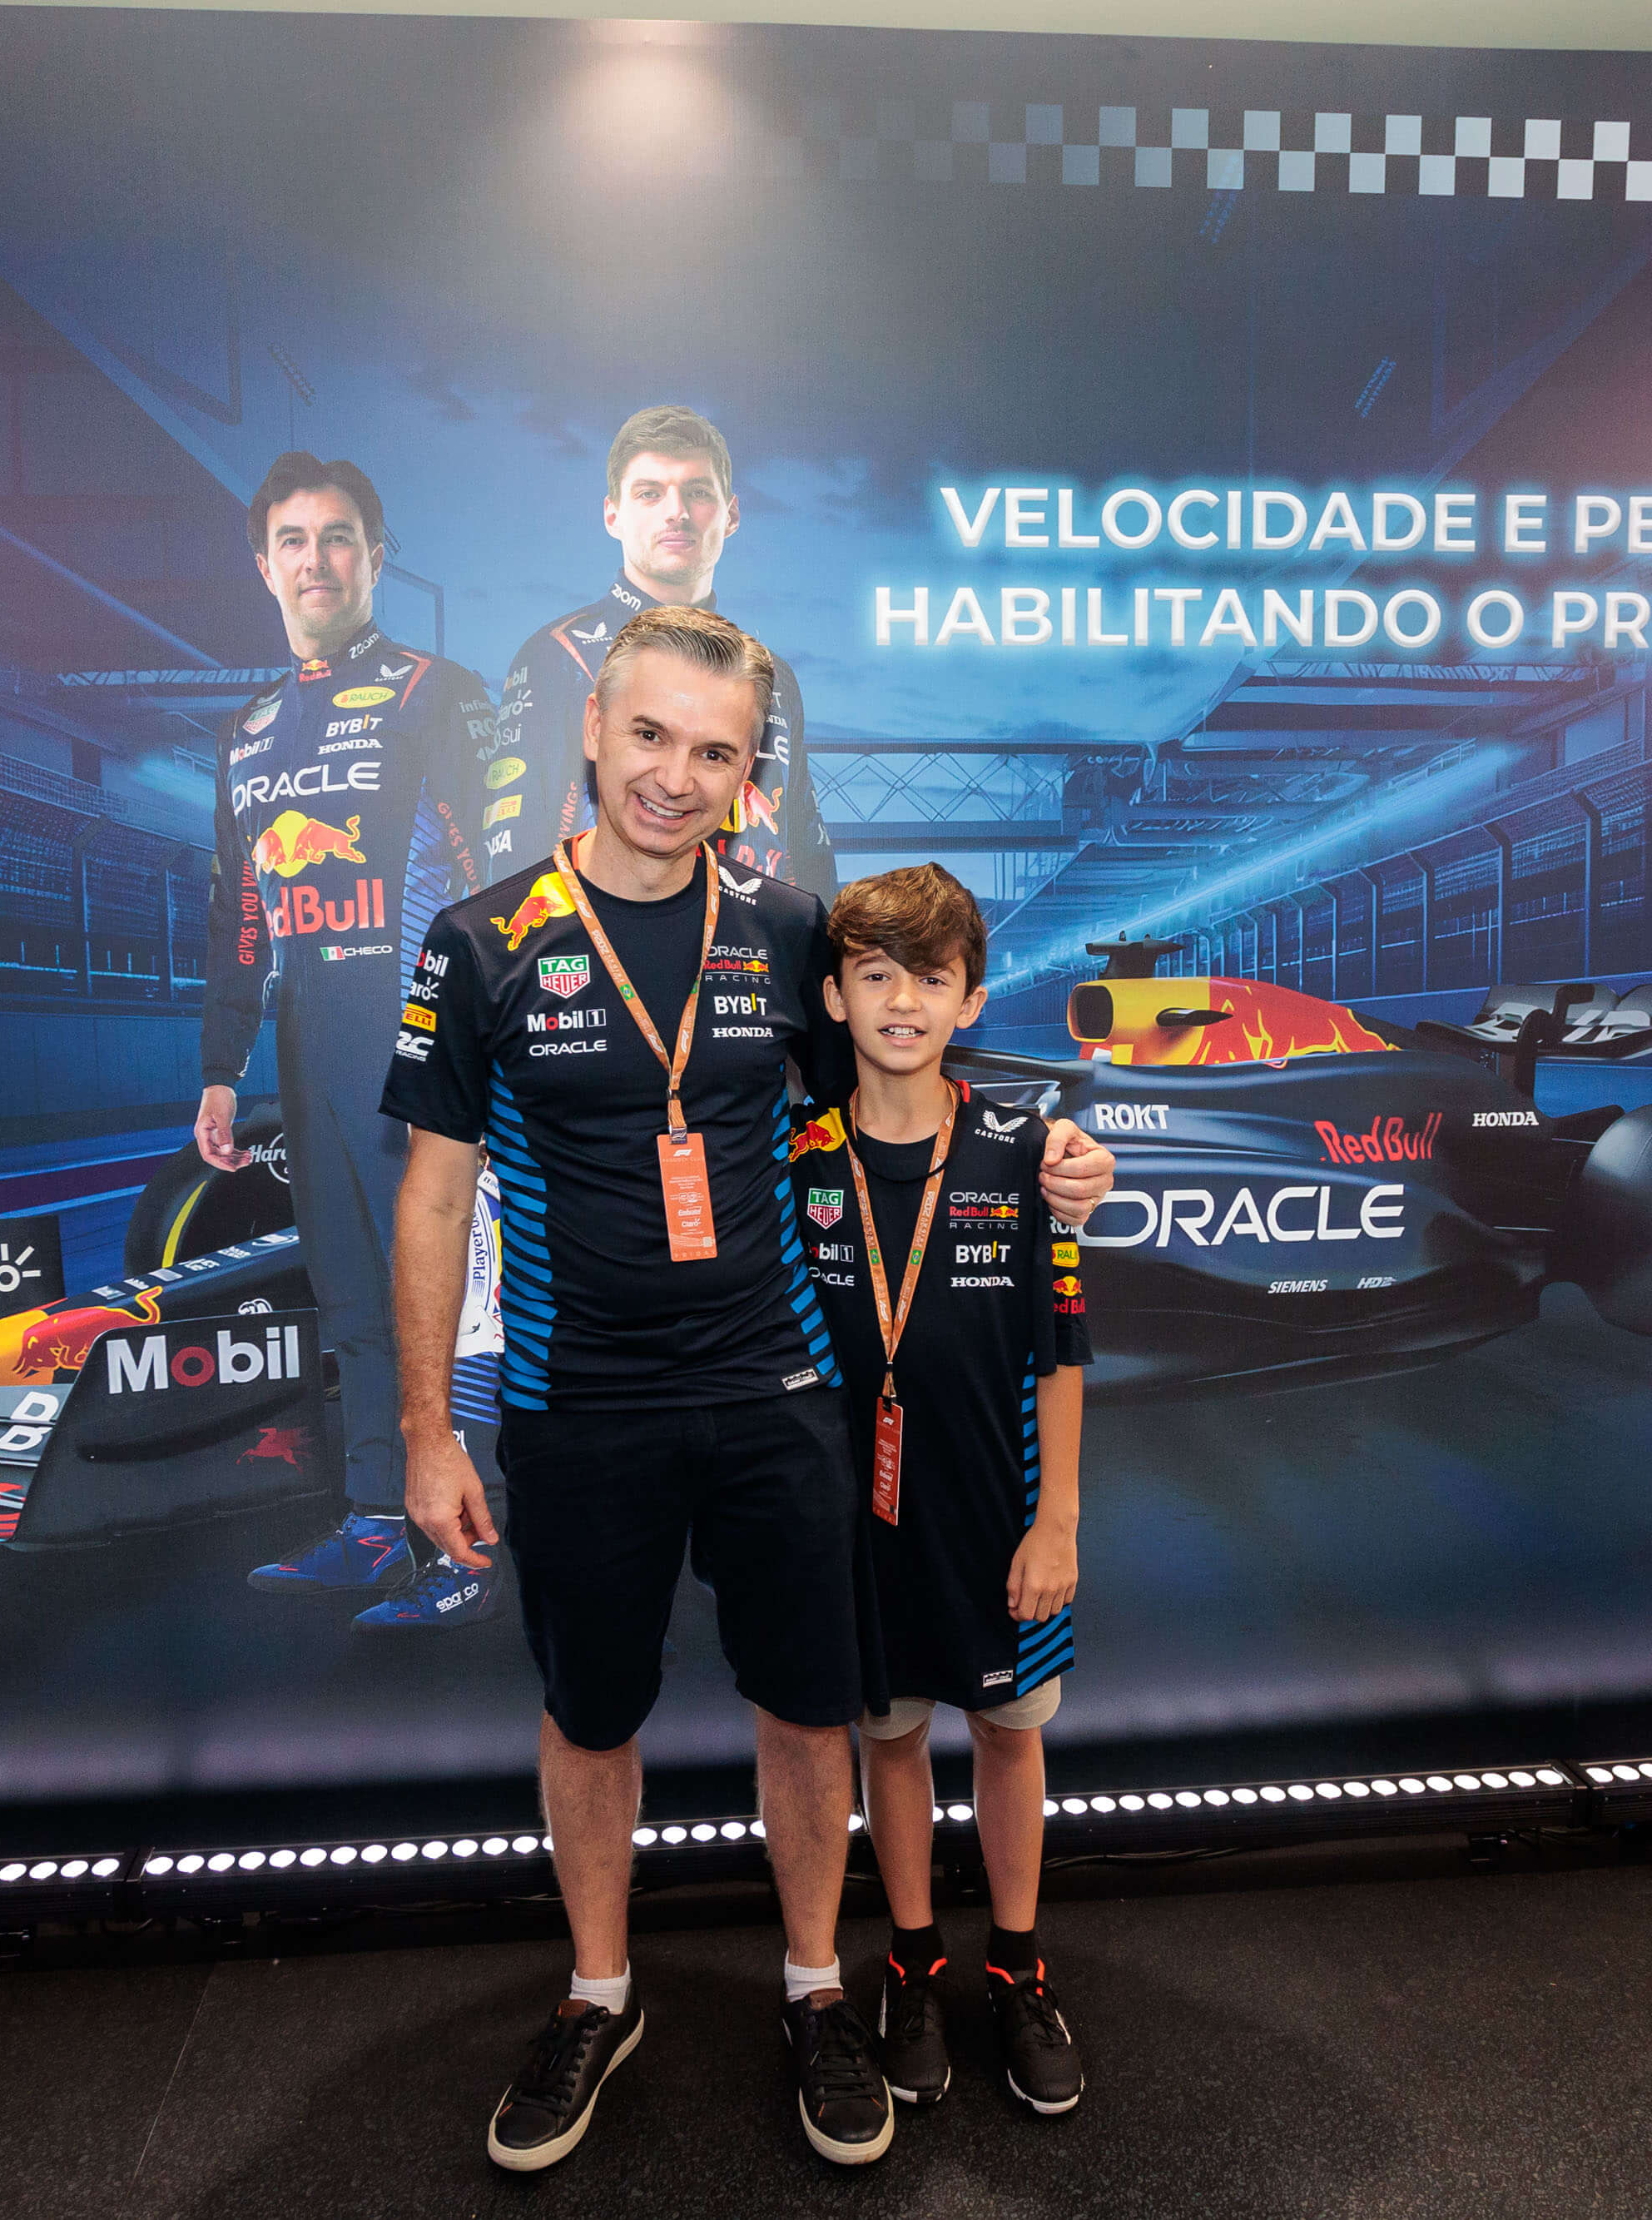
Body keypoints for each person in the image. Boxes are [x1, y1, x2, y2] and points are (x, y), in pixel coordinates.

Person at [380, 605, 1113, 2172]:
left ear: (748, 772)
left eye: (714, 752)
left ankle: (816, 1985)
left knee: (805, 1704)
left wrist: (1052, 1153)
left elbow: (912, 1081)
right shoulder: (480, 939)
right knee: (590, 1715)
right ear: (593, 729)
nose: (675, 775)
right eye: (649, 734)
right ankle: (598, 1991)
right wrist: (429, 1429)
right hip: (579, 1404)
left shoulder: (786, 929)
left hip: (781, 1394)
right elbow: (433, 1197)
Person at [793, 864, 1089, 2120]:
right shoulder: (796, 1155)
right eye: (875, 975)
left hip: (1000, 1513)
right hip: (859, 1523)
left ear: (970, 999)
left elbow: (1062, 1348)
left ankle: (1017, 1963)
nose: (902, 1002)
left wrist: (1057, 1518)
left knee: (1010, 1732)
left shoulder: (1029, 1151)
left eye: (931, 977)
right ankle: (912, 1960)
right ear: (835, 996)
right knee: (893, 1737)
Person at [199, 452, 504, 1631]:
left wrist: (495, 1029)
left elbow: (499, 872)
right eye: (293, 539)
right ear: (263, 563)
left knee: (453, 1297)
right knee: (350, 1294)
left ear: (376, 556)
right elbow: (238, 910)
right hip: (304, 1038)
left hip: (422, 1032)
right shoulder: (246, 730)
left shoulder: (441, 692)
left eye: (337, 537)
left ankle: (472, 1546)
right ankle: (378, 1517)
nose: (315, 559)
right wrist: (219, 1066)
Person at [483, 405, 832, 896]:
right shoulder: (556, 655)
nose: (677, 512)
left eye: (698, 492)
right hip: (593, 938)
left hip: (749, 943)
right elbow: (511, 857)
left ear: (731, 514)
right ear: (612, 515)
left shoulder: (774, 675)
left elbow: (806, 855)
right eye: (650, 493)